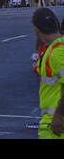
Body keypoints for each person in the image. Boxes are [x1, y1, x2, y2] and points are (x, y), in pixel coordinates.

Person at [31, 8, 64, 139]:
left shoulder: (56, 53)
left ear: (36, 30)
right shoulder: (55, 48)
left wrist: (58, 114)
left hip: (54, 125)